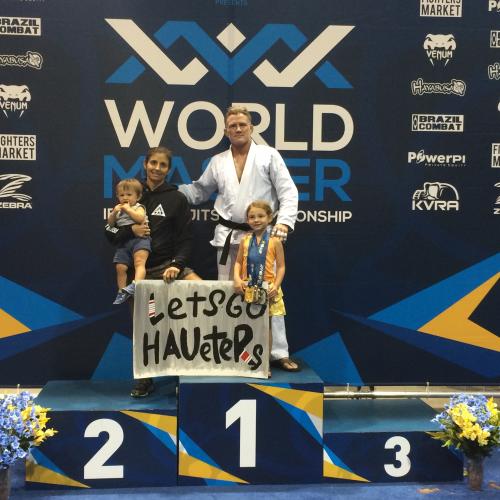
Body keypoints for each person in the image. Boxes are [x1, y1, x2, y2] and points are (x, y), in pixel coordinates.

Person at [178, 106, 300, 372]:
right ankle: (230, 348)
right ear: (226, 131)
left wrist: (284, 223)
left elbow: (288, 192)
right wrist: (169, 192)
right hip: (228, 235)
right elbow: (199, 191)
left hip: (262, 238)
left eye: (242, 124)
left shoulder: (269, 155)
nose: (238, 129)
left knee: (269, 292)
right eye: (232, 126)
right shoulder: (218, 161)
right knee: (228, 291)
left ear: (251, 128)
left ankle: (278, 352)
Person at [105, 146, 201, 397]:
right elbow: (109, 233)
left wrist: (177, 264)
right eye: (153, 163)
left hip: (167, 268)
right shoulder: (131, 192)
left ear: (169, 169)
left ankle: (186, 377)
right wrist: (131, 231)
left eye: (163, 165)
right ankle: (144, 379)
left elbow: (185, 238)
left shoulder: (177, 198)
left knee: (194, 308)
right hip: (138, 273)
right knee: (142, 327)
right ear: (145, 164)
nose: (157, 168)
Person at [234, 201, 286, 376]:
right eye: (252, 217)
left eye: (261, 216)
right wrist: (237, 279)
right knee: (247, 326)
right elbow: (238, 262)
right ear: (247, 220)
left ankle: (264, 363)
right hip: (248, 289)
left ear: (270, 218)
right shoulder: (245, 240)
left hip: (268, 289)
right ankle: (246, 361)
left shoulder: (275, 241)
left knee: (267, 328)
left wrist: (276, 286)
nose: (256, 220)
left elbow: (281, 267)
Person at [107, 179, 151, 305]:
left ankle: (135, 285)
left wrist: (128, 210)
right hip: (124, 242)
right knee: (120, 267)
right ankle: (122, 291)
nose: (125, 198)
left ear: (138, 197)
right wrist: (114, 213)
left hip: (141, 240)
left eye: (129, 195)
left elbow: (140, 218)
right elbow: (110, 225)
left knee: (139, 262)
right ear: (117, 197)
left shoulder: (139, 207)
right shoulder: (118, 210)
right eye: (121, 195)